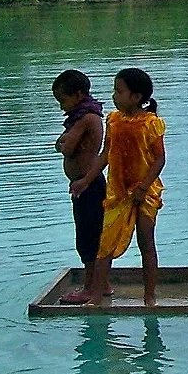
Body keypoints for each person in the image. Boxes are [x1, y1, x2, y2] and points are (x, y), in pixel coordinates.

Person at [86, 68, 167, 306]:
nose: (114, 96)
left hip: (145, 192)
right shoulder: (113, 120)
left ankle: (149, 295)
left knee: (146, 242)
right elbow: (105, 155)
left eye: (119, 91)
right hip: (118, 193)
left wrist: (143, 186)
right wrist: (87, 179)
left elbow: (159, 159)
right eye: (115, 91)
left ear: (136, 96)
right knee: (105, 245)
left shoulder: (151, 123)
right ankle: (96, 296)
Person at [53, 70, 108, 304]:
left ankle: (89, 287)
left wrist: (63, 142)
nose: (61, 107)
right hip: (85, 185)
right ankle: (102, 284)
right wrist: (64, 141)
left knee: (88, 237)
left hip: (88, 185)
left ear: (78, 95)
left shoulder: (85, 118)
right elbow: (64, 143)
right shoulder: (84, 117)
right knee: (92, 234)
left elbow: (66, 147)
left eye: (63, 101)